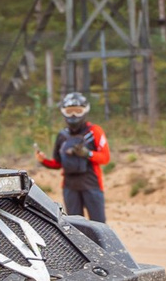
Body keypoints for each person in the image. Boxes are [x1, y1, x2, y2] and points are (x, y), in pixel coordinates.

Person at [40, 91, 112, 223]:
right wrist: (43, 161)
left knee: (99, 224)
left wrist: (87, 154)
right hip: (70, 186)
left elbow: (105, 158)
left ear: (85, 111)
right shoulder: (62, 135)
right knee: (75, 227)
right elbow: (58, 163)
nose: (73, 115)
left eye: (78, 111)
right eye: (69, 111)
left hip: (92, 185)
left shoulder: (95, 131)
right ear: (63, 112)